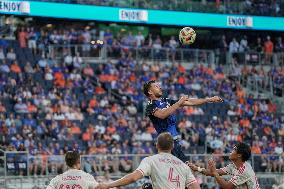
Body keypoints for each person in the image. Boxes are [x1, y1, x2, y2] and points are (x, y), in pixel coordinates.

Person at [143, 80, 223, 162]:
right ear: (150, 91)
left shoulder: (166, 101)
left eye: (159, 86)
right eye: (156, 86)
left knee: (182, 169)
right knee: (185, 168)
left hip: (174, 142)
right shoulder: (150, 106)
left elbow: (190, 102)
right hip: (166, 144)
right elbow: (163, 115)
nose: (159, 87)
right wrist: (179, 102)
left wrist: (209, 99)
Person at [98, 132, 201, 189]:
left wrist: (108, 185)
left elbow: (134, 177)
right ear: (172, 146)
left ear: (156, 145)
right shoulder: (183, 166)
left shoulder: (151, 160)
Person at [188, 142, 260, 189]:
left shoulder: (244, 171)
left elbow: (226, 186)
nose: (231, 152)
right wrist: (197, 168)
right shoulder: (233, 166)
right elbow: (212, 172)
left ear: (239, 155)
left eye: (234, 150)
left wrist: (214, 172)